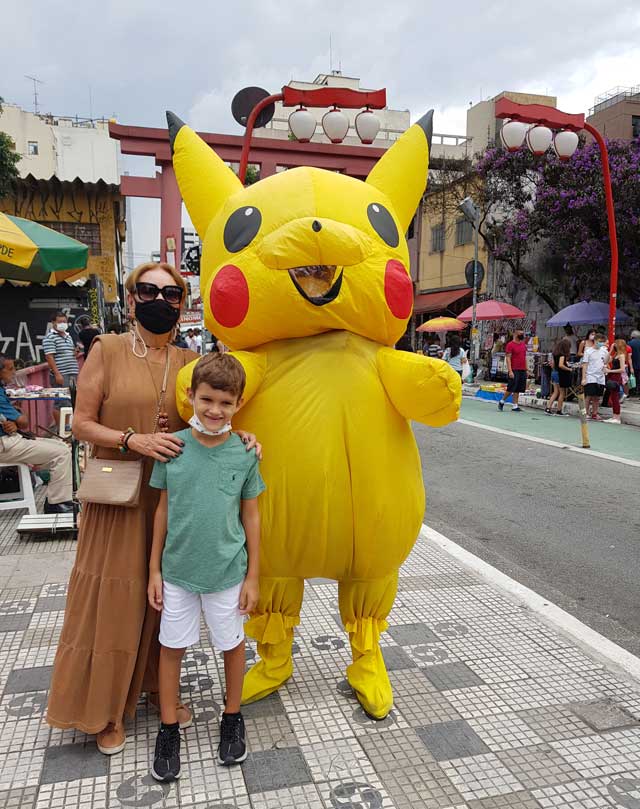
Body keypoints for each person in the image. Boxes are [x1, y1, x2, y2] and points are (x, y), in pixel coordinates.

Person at [46, 262, 260, 755]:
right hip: (120, 496)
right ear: (132, 295)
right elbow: (79, 423)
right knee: (116, 604)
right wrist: (131, 439)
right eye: (148, 290)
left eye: (172, 293)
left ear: (184, 303)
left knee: (161, 603)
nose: (159, 299)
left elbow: (219, 408)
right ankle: (105, 711)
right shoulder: (109, 348)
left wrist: (245, 434)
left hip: (176, 500)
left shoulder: (190, 358)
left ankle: (149, 693)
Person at [147, 353, 264, 780]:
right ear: (191, 396)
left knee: (231, 645)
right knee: (171, 647)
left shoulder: (245, 453)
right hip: (177, 571)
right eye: (207, 399)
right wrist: (154, 570)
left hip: (228, 573)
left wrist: (253, 575)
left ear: (238, 404)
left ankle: (232, 718)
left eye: (225, 403)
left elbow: (251, 515)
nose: (215, 410)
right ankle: (168, 727)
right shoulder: (173, 449)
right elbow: (162, 511)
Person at [0, 354, 73, 513]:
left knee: (62, 445)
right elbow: (24, 421)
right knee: (62, 453)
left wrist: (15, 421)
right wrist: (17, 419)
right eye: (10, 369)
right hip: (5, 445)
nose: (13, 373)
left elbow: (18, 421)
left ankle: (57, 496)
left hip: (10, 440)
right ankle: (57, 503)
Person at [43, 311, 80, 427]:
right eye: (60, 322)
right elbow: (49, 356)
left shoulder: (68, 336)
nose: (63, 324)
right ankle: (61, 429)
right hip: (61, 374)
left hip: (72, 373)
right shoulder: (50, 338)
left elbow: (67, 353)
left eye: (64, 321)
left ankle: (68, 427)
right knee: (61, 402)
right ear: (53, 322)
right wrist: (57, 374)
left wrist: (74, 352)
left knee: (70, 401)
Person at [581, 331, 609, 421]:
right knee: (589, 396)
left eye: (602, 342)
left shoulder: (604, 351)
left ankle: (594, 413)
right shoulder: (588, 351)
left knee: (597, 397)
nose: (601, 344)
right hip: (590, 376)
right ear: (595, 340)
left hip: (600, 377)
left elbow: (606, 361)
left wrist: (608, 351)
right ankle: (585, 413)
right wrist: (584, 378)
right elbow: (585, 365)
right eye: (600, 341)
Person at [497, 329, 528, 412]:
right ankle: (502, 401)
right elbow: (508, 358)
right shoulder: (510, 345)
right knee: (511, 387)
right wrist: (510, 370)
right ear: (515, 334)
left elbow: (524, 358)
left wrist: (526, 369)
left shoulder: (523, 345)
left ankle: (515, 405)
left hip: (522, 369)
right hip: (514, 368)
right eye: (520, 333)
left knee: (518, 388)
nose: (522, 335)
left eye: (522, 333)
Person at [545, 337, 571, 416]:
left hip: (554, 373)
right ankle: (559, 410)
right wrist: (569, 369)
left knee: (555, 392)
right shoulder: (562, 355)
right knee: (562, 393)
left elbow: (552, 365)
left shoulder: (555, 354)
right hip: (560, 374)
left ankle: (548, 408)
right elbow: (561, 365)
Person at [602, 340, 626, 424]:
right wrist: (610, 351)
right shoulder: (616, 355)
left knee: (615, 397)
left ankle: (617, 417)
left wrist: (610, 371)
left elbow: (622, 369)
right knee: (613, 396)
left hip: (616, 376)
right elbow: (605, 361)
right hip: (612, 376)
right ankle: (614, 416)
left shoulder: (622, 356)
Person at [629, 330, 640, 397]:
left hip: (633, 364)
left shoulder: (629, 343)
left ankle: (633, 391)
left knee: (632, 378)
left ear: (632, 336)